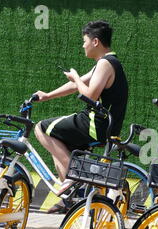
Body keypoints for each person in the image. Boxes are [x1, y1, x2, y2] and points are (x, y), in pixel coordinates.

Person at [34, 20, 128, 213]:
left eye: (84, 41)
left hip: (96, 124)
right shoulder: (109, 62)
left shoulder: (105, 63)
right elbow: (76, 85)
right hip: (105, 127)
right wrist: (47, 95)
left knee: (41, 128)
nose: (82, 45)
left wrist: (76, 77)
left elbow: (89, 95)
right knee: (59, 144)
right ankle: (70, 199)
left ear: (95, 42)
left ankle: (73, 176)